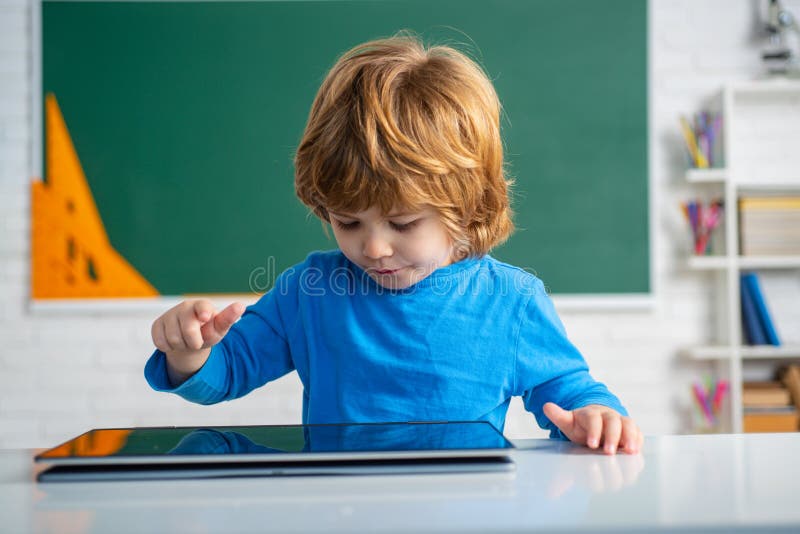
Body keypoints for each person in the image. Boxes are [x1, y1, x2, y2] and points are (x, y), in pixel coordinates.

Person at [145, 34, 642, 455]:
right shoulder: (309, 291)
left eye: (402, 223)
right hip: (341, 514)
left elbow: (571, 393)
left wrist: (597, 417)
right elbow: (226, 373)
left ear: (466, 205)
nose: (374, 248)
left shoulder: (511, 301)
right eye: (347, 221)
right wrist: (188, 354)